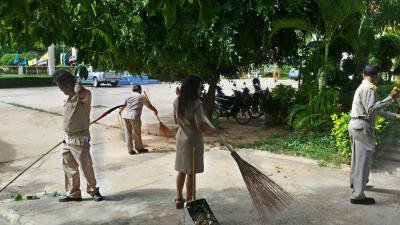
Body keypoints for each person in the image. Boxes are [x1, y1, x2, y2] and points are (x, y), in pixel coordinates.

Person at [348, 64, 400, 205]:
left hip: (356, 124)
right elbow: (372, 109)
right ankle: (358, 195)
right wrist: (390, 97)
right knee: (363, 161)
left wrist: (395, 116)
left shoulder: (363, 87)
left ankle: (356, 184)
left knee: (357, 158)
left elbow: (375, 110)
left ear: (363, 74)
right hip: (362, 126)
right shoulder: (369, 89)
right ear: (376, 76)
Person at [53, 70, 103, 202]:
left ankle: (94, 190)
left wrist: (77, 84)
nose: (61, 89)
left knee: (85, 165)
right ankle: (73, 193)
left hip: (79, 137)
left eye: (62, 86)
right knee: (69, 166)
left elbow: (81, 92)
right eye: (59, 87)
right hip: (67, 137)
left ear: (70, 84)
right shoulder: (68, 98)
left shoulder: (84, 96)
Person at [173, 75, 218, 209]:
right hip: (193, 141)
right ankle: (190, 201)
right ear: (194, 88)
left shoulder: (177, 101)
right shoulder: (196, 103)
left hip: (181, 138)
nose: (200, 89)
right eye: (199, 87)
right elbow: (200, 126)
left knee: (181, 171)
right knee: (191, 173)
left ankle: (179, 199)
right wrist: (213, 131)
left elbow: (176, 121)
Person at [119, 84, 158, 155]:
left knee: (128, 133)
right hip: (134, 116)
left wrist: (120, 111)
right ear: (139, 90)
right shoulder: (141, 96)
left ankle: (130, 150)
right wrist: (155, 110)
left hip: (126, 116)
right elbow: (149, 105)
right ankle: (139, 148)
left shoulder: (128, 96)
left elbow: (123, 106)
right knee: (137, 133)